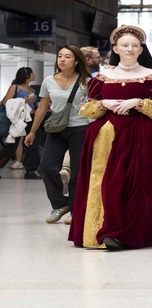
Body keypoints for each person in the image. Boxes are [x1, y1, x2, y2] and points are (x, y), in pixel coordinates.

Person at [70, 25, 152, 250]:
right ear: (115, 48)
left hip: (143, 138)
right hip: (107, 137)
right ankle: (105, 231)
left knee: (137, 184)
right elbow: (86, 109)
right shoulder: (102, 78)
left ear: (140, 49)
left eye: (134, 46)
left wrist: (138, 103)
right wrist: (104, 104)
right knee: (108, 182)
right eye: (125, 45)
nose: (129, 49)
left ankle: (133, 233)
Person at [24, 46, 90, 224]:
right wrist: (32, 132)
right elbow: (42, 107)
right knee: (46, 167)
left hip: (80, 128)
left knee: (78, 171)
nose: (62, 59)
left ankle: (76, 209)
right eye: (60, 56)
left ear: (76, 61)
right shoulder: (49, 81)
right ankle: (60, 204)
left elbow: (94, 106)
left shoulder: (87, 81)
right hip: (56, 129)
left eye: (67, 57)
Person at [1, 67, 41, 179]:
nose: (34, 75)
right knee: (11, 146)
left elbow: (33, 105)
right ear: (27, 75)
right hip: (18, 119)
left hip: (30, 118)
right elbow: (6, 102)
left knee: (32, 144)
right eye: (32, 73)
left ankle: (31, 170)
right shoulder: (15, 87)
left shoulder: (32, 90)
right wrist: (23, 101)